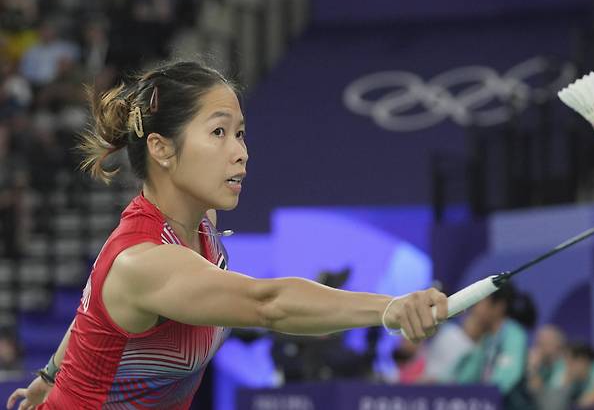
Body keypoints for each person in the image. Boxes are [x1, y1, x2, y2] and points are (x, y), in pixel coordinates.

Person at [5, 60, 447, 409]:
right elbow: (267, 303)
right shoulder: (144, 261)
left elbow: (89, 316)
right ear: (161, 148)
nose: (241, 152)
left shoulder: (200, 222)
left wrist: (48, 376)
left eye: (240, 133)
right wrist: (390, 308)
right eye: (218, 132)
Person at [452, 282, 536, 410]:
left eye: (480, 302)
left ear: (499, 307)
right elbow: (465, 378)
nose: (475, 308)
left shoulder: (514, 333)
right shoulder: (486, 338)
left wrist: (479, 398)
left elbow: (506, 378)